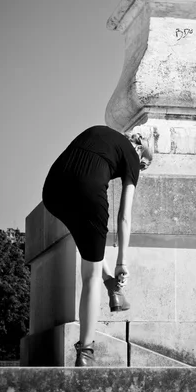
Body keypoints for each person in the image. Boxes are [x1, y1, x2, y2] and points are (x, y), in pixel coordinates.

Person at [42, 125, 153, 367]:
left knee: (89, 242)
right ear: (142, 151)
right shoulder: (133, 156)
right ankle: (86, 351)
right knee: (89, 276)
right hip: (89, 193)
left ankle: (112, 286)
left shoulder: (100, 132)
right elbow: (125, 215)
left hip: (52, 190)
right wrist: (123, 261)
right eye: (144, 165)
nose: (140, 169)